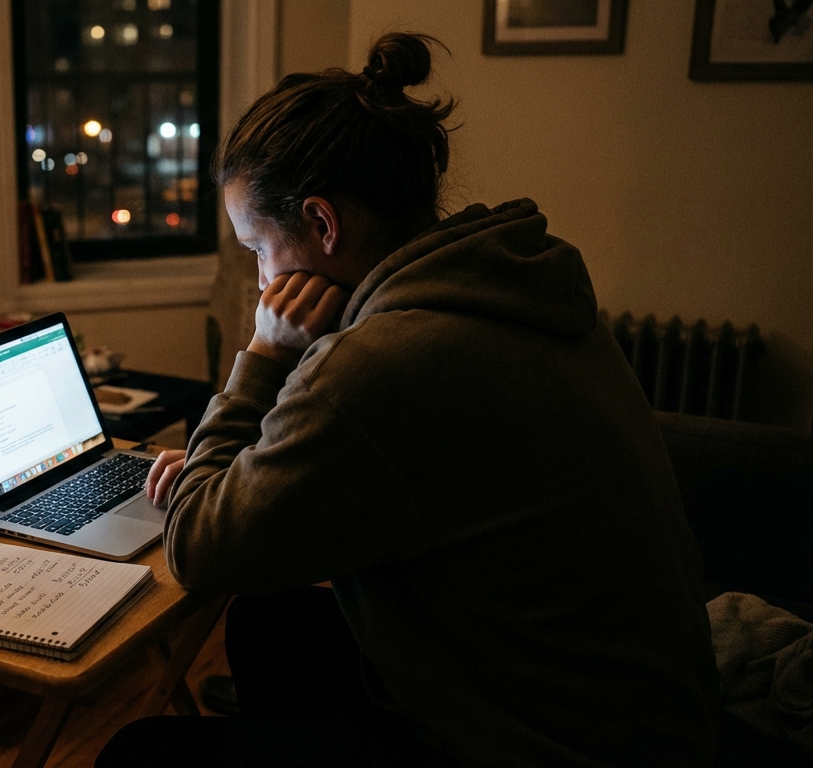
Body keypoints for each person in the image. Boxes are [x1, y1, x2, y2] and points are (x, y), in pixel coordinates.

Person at [97, 32, 720, 768]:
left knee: (138, 753)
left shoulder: (380, 366)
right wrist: (246, 468)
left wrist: (263, 354)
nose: (263, 282)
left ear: (323, 225)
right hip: (639, 709)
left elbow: (198, 547)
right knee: (273, 625)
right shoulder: (514, 286)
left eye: (258, 249)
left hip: (546, 744)